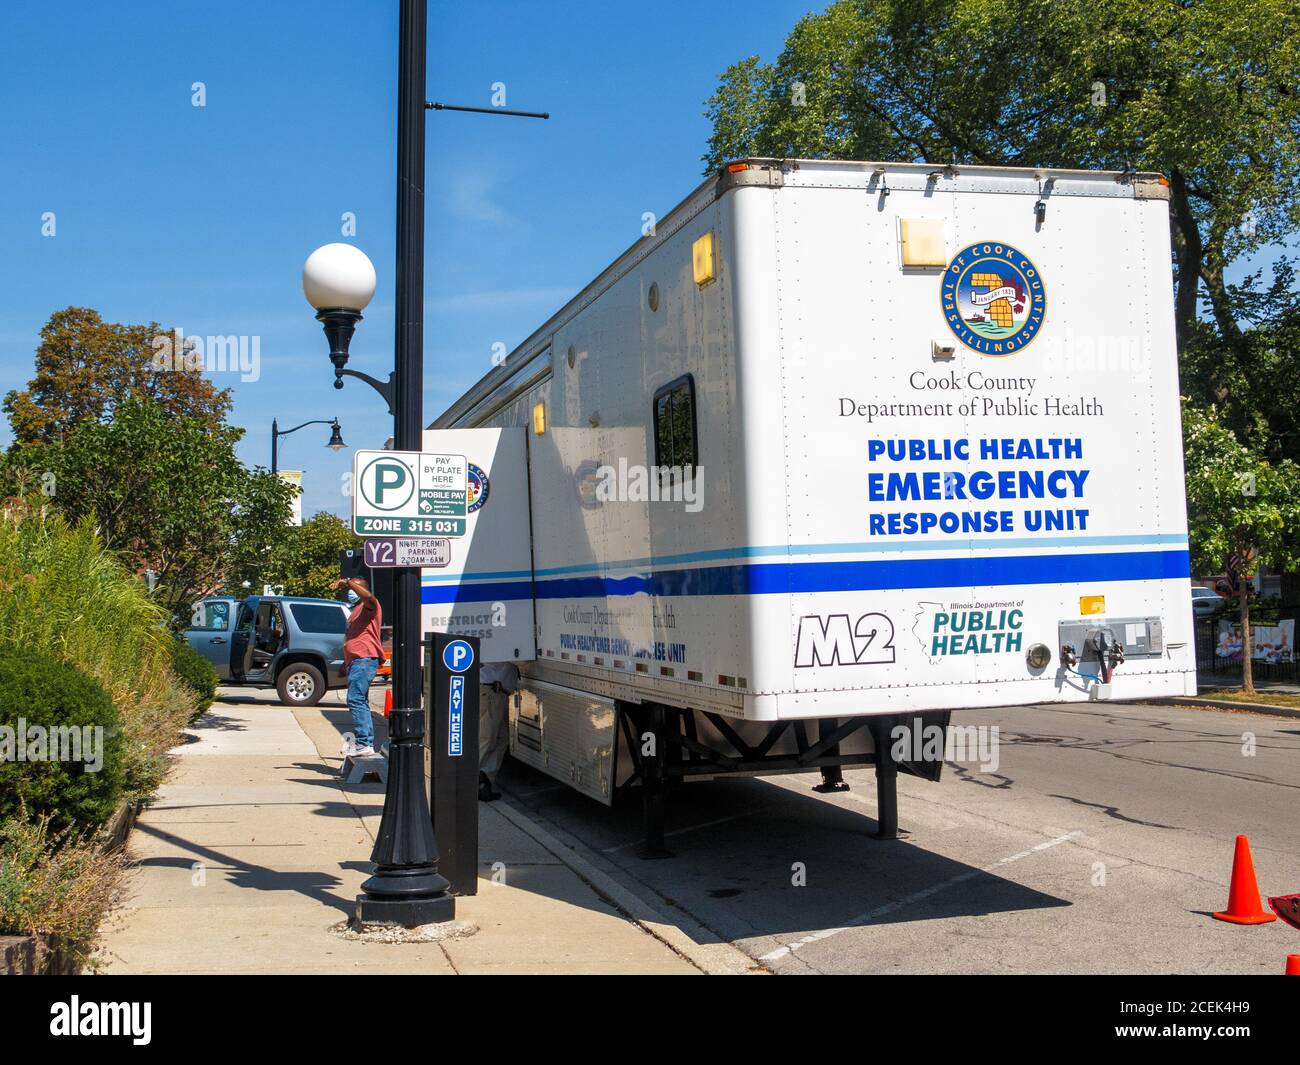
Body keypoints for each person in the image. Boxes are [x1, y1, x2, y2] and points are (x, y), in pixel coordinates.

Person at [334, 576, 382, 757]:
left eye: (355, 588)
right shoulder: (355, 611)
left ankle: (364, 743)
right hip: (356, 661)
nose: (350, 592)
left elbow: (369, 597)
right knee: (360, 700)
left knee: (355, 699)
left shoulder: (369, 605)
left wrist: (348, 581)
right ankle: (365, 742)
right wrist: (345, 664)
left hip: (364, 659)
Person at [478, 660, 519, 801]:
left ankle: (484, 780)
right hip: (491, 692)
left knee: (502, 738)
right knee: (486, 738)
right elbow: (523, 658)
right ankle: (467, 782)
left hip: (496, 693)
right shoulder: (500, 644)